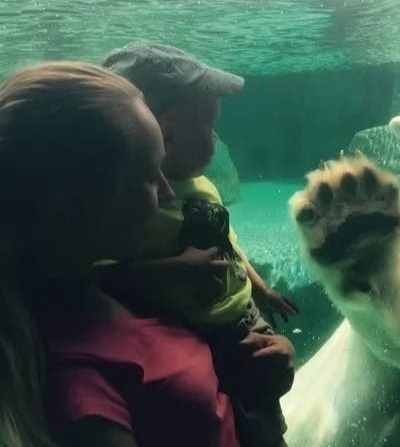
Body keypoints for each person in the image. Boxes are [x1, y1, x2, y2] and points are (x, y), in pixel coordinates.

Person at [0, 62, 294, 447]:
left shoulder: (115, 293)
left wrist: (263, 372)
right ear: (74, 204)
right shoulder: (78, 388)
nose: (167, 192)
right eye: (149, 175)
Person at [98, 41, 297, 447]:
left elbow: (225, 242)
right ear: (166, 133)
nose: (216, 137)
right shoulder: (130, 210)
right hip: (197, 335)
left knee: (266, 417)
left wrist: (261, 291)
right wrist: (179, 270)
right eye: (208, 127)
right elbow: (105, 277)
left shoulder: (202, 186)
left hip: (238, 319)